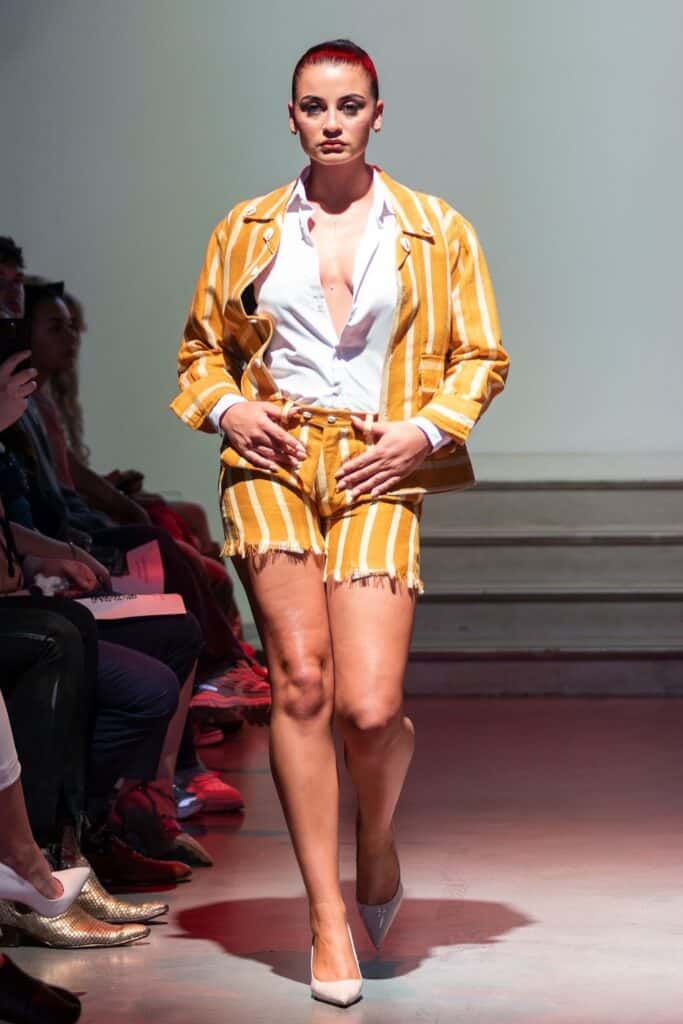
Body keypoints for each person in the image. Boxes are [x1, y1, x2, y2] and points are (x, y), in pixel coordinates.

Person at [172, 39, 509, 1006]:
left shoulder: (436, 229)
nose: (330, 121)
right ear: (290, 117)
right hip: (272, 462)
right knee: (303, 684)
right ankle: (325, 916)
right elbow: (202, 353)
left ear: (376, 113)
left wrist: (419, 433)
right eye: (313, 106)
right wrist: (231, 410)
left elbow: (480, 355)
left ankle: (375, 831)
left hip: (376, 461)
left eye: (349, 105)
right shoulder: (244, 228)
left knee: (369, 708)